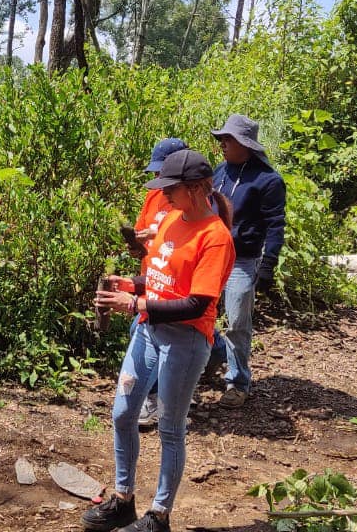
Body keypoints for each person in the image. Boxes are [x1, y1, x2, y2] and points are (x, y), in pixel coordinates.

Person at [82, 149, 236, 532]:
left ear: (198, 188)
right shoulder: (170, 221)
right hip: (149, 330)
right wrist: (130, 285)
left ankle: (159, 516)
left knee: (169, 427)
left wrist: (133, 302)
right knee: (122, 413)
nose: (164, 196)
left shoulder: (215, 238)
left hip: (185, 340)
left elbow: (196, 302)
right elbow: (160, 279)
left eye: (172, 189)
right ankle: (122, 500)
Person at [207, 114, 285, 408]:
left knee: (238, 322)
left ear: (245, 144)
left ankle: (238, 382)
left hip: (242, 260)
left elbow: (276, 224)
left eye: (229, 139)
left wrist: (268, 265)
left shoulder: (268, 180)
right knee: (201, 315)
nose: (223, 145)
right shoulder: (219, 172)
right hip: (212, 257)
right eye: (222, 139)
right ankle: (214, 357)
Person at [134, 138, 187, 429]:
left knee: (153, 334)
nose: (157, 179)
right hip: (150, 276)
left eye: (161, 172)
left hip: (175, 284)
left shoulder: (195, 203)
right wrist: (138, 243)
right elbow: (143, 230)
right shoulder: (154, 195)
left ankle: (156, 400)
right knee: (148, 334)